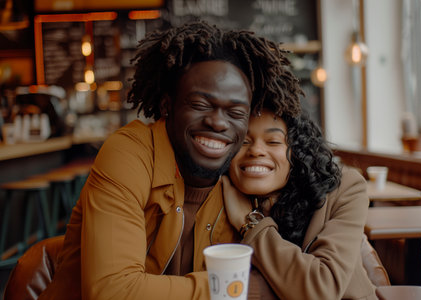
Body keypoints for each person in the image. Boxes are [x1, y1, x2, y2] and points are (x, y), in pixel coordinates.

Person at [38, 21, 303, 300]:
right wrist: (235, 289)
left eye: (236, 112)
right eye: (200, 105)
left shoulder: (244, 179)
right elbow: (112, 291)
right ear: (167, 106)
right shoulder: (130, 153)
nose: (217, 122)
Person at [223, 108, 378, 299]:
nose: (255, 150)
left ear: (297, 152)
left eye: (273, 141)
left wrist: (251, 225)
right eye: (244, 141)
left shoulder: (344, 187)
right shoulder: (219, 194)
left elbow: (322, 288)